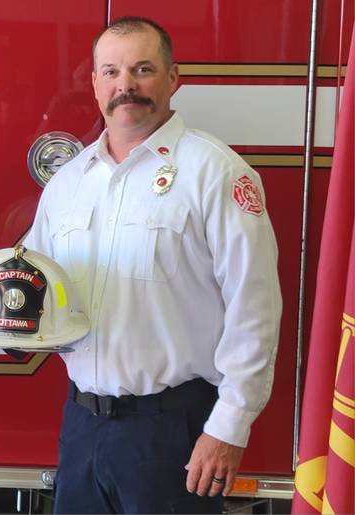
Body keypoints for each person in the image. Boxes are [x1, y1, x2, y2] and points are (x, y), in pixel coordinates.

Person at [23, 16, 282, 514]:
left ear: (173, 77)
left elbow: (255, 307)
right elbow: (36, 286)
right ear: (95, 84)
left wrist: (228, 426)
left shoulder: (215, 172)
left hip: (174, 430)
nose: (127, 85)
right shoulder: (68, 183)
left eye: (143, 69)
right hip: (83, 425)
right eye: (112, 72)